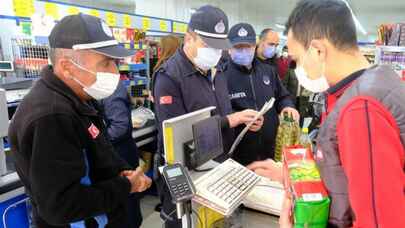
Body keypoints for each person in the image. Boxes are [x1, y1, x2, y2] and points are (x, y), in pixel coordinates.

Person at [249, 0, 405, 227]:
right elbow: (347, 175)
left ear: (318, 50)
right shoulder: (369, 84)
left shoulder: (361, 108)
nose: (295, 69)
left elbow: (382, 221)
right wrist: (291, 176)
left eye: (296, 60)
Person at [8, 14, 152, 228]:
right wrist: (125, 186)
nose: (115, 72)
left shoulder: (78, 97)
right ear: (67, 67)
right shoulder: (52, 117)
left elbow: (93, 152)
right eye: (105, 63)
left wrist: (119, 172)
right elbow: (62, 205)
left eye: (114, 62)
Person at [153, 6, 264, 228]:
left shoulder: (217, 72)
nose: (214, 51)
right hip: (186, 177)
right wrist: (229, 121)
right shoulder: (169, 78)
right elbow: (177, 136)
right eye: (207, 45)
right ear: (189, 39)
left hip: (217, 167)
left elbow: (221, 112)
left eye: (218, 46)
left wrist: (240, 119)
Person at [224, 23, 299, 166]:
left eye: (249, 46)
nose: (244, 51)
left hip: (269, 150)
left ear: (255, 46)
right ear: (229, 49)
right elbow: (219, 113)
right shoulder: (221, 76)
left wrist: (287, 107)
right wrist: (239, 118)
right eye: (239, 47)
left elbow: (282, 96)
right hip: (239, 155)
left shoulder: (268, 71)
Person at [100, 80, 143, 228]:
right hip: (114, 153)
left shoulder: (109, 85)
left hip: (119, 154)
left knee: (127, 207)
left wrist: (96, 142)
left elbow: (120, 126)